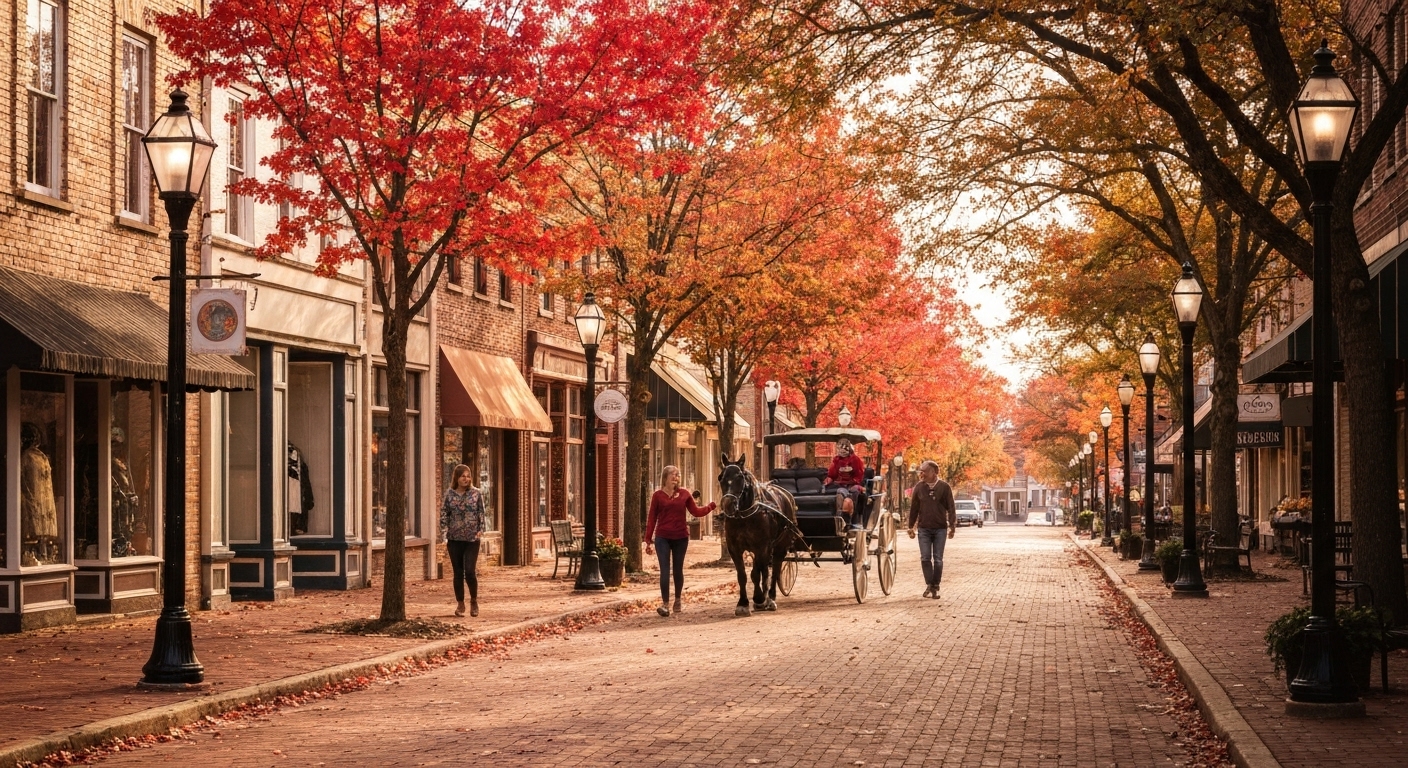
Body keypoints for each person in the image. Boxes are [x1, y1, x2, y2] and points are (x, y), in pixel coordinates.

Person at [645, 465, 716, 617]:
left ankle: (677, 599)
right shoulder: (657, 496)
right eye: (673, 475)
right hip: (662, 537)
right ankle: (665, 604)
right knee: (665, 570)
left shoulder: (684, 494)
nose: (676, 478)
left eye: (678, 475)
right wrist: (648, 540)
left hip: (680, 537)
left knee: (678, 570)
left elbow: (695, 511)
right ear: (665, 477)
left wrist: (710, 507)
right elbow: (652, 518)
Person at [441, 464, 486, 617]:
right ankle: (460, 603)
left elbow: (481, 512)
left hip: (472, 538)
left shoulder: (476, 493)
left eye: (468, 476)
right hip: (454, 538)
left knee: (470, 571)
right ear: (457, 478)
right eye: (463, 476)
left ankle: (474, 601)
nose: (466, 479)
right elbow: (444, 515)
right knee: (458, 573)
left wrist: (481, 530)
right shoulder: (449, 494)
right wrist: (444, 534)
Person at [907, 460, 956, 599]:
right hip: (924, 529)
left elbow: (951, 508)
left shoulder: (944, 487)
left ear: (934, 472)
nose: (921, 474)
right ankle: (930, 584)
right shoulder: (919, 487)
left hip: (940, 528)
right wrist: (910, 526)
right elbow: (914, 509)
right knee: (925, 557)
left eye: (925, 471)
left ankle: (936, 584)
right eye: (920, 471)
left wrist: (952, 526)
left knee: (938, 559)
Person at [825, 438, 866, 529]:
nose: (841, 451)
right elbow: (832, 474)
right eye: (840, 449)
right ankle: (840, 516)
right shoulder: (836, 460)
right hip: (840, 485)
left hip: (853, 485)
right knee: (840, 493)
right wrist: (827, 482)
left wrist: (854, 482)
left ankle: (854, 518)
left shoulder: (855, 460)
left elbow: (859, 474)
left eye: (844, 449)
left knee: (855, 491)